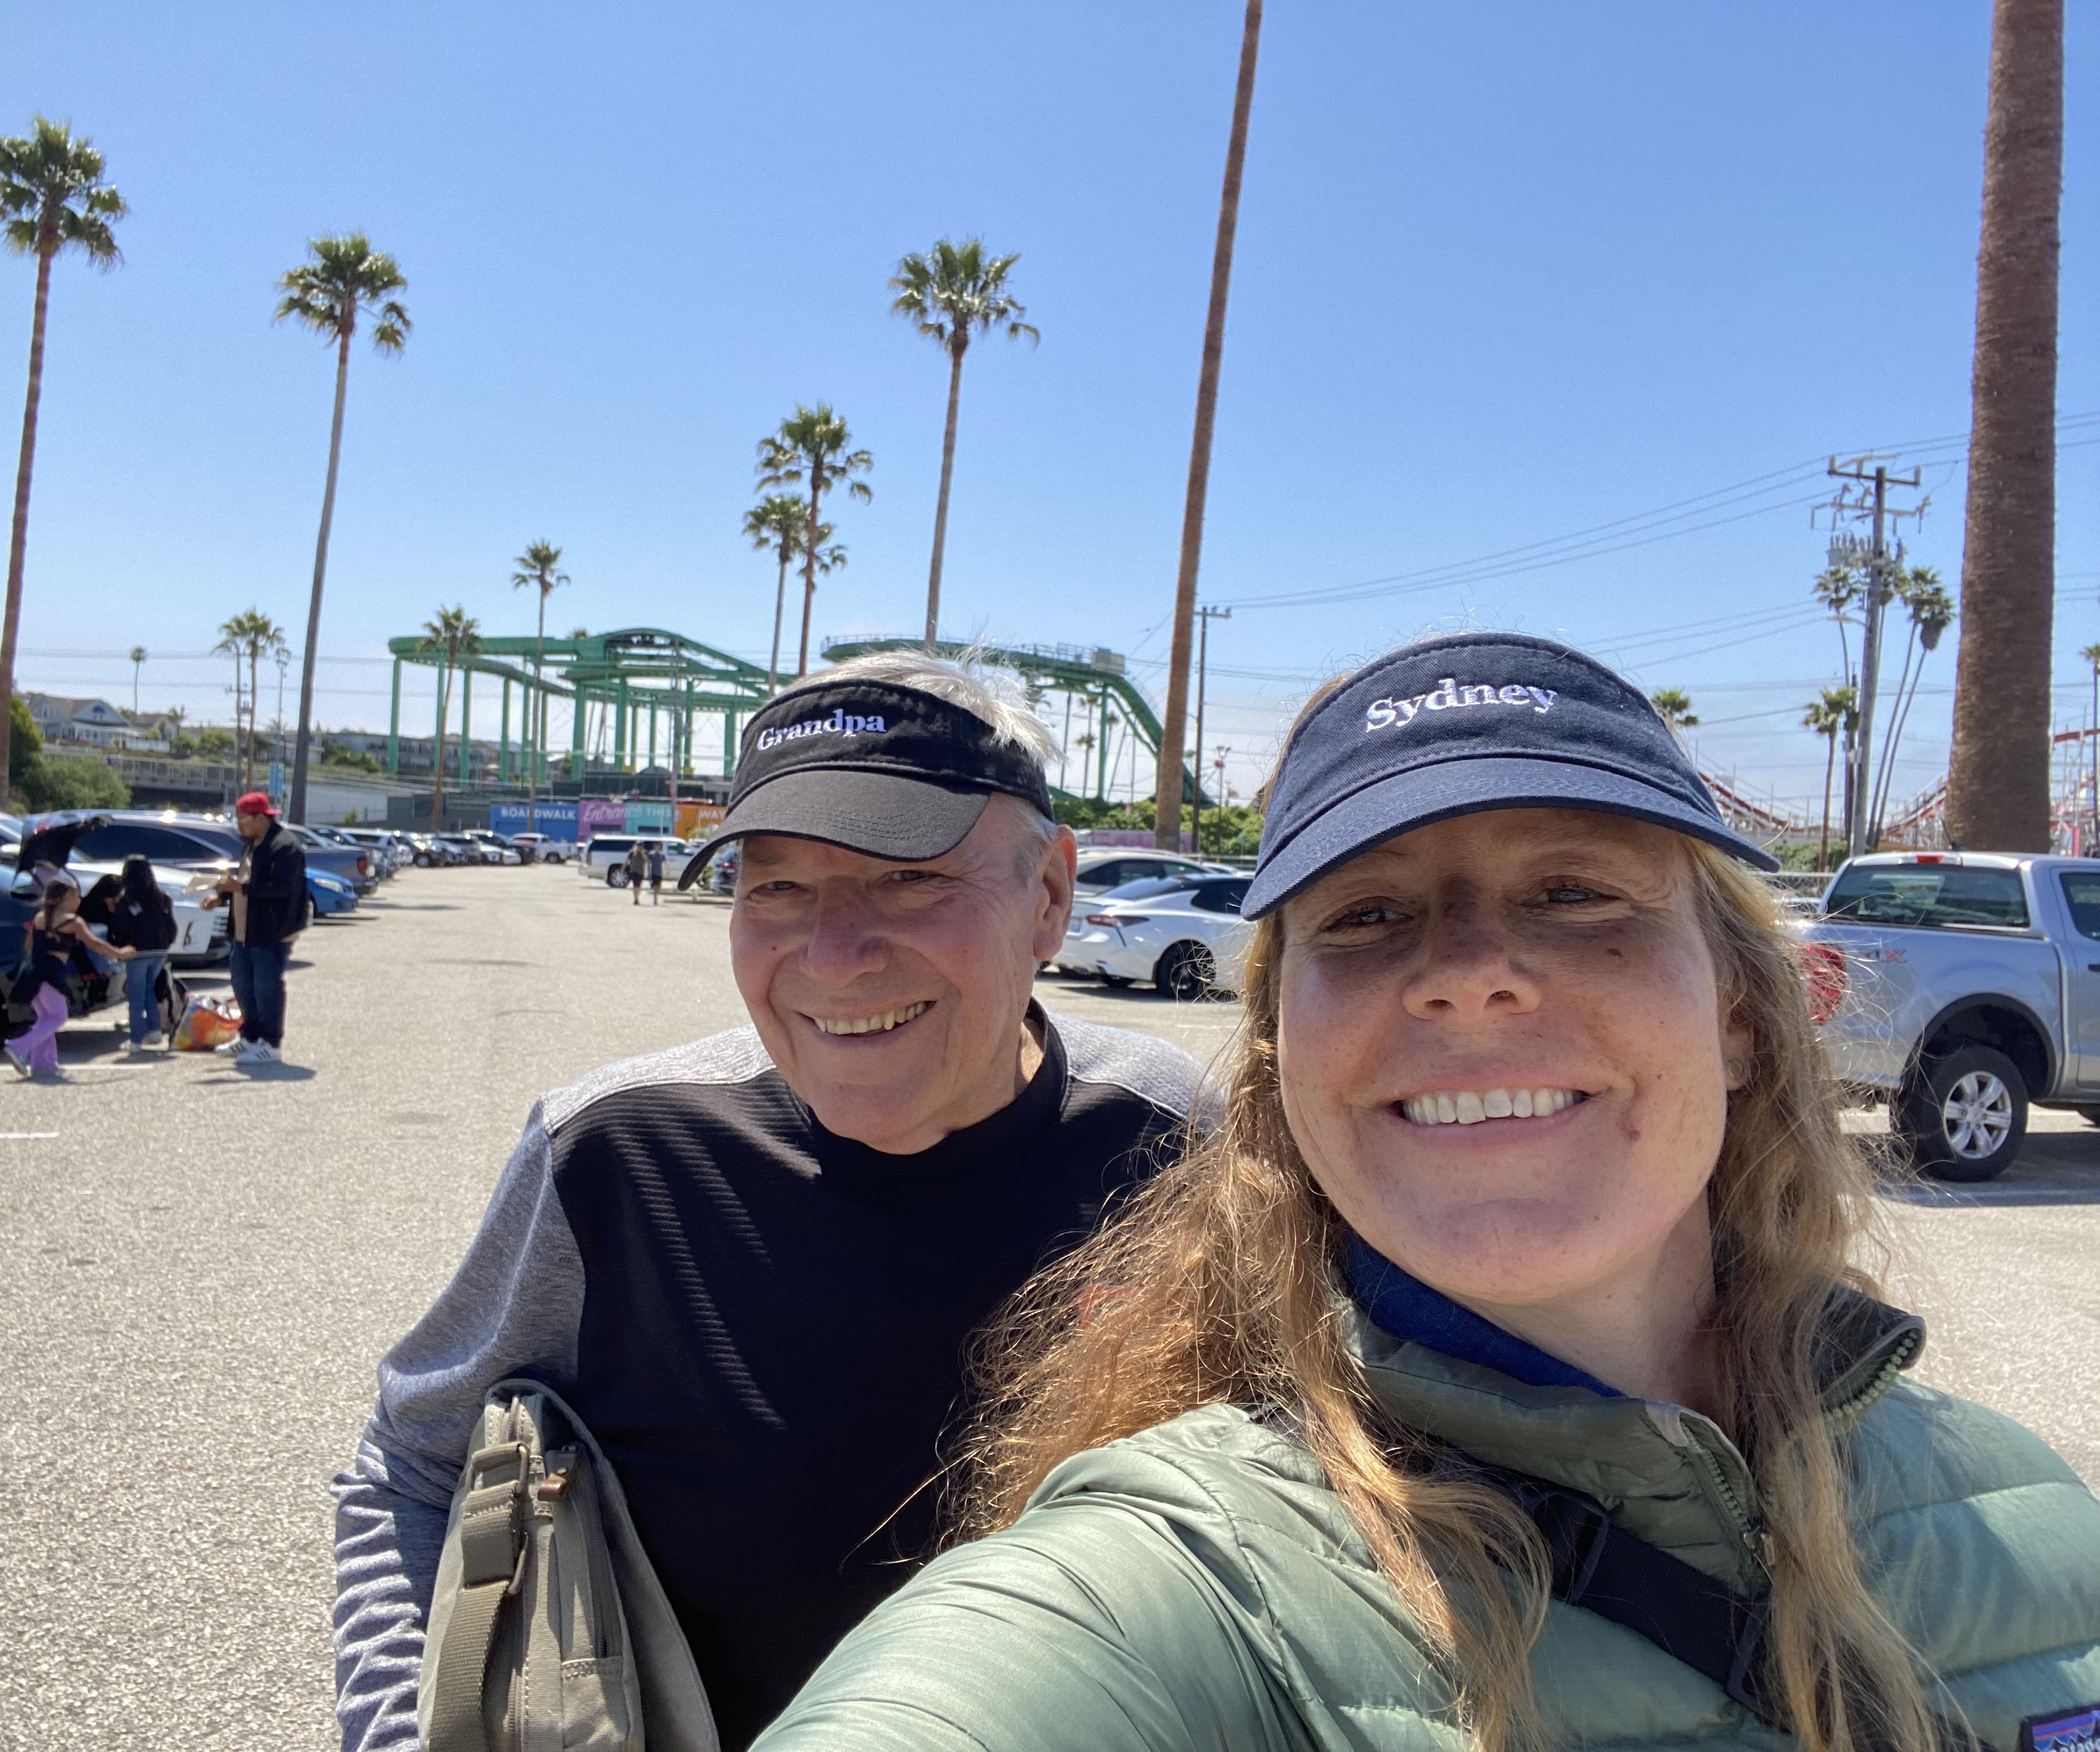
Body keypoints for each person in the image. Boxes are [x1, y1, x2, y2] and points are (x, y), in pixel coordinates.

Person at [754, 633, 2100, 1752]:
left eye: (1573, 892)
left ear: (1740, 1017)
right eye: (1369, 916)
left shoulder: (2033, 1509)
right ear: (1282, 1063)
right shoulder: (1176, 1588)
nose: (1467, 974)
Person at [333, 654, 1204, 1752]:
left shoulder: (1176, 1139)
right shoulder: (619, 1152)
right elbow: (412, 1460)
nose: (832, 958)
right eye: (776, 887)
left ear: (1049, 897)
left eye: (908, 876)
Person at [202, 791, 305, 1066]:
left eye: (243, 819)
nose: (240, 825)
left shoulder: (285, 846)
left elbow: (281, 889)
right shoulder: (251, 844)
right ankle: (250, 1037)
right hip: (243, 932)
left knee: (267, 988)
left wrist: (241, 888)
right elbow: (243, 880)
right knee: (242, 985)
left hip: (271, 931)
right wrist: (222, 897)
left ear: (261, 818)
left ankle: (271, 1044)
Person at [6, 874, 133, 1079]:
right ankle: (18, 1046)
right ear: (65, 898)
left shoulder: (40, 918)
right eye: (77, 896)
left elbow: (29, 945)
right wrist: (120, 953)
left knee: (46, 1019)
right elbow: (94, 944)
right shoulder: (73, 921)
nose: (80, 900)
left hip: (31, 970)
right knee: (58, 1017)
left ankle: (44, 1064)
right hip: (51, 972)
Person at [107, 855, 177, 1053]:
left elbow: (120, 927)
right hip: (160, 950)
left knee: (136, 995)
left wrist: (119, 945)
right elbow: (172, 927)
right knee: (148, 989)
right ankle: (155, 1030)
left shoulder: (127, 900)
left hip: (137, 951)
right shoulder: (162, 898)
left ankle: (136, 1039)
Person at [624, 837, 647, 905]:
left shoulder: (644, 853)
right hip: (634, 871)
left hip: (641, 872)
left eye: (641, 845)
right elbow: (627, 861)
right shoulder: (632, 853)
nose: (640, 847)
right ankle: (636, 899)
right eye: (639, 845)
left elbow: (646, 861)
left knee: (639, 887)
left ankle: (637, 899)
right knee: (635, 886)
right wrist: (623, 869)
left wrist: (642, 853)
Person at [646, 837, 666, 905]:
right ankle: (655, 900)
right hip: (654, 872)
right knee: (655, 886)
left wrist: (667, 870)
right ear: (654, 846)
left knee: (659, 888)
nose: (657, 847)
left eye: (658, 846)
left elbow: (665, 863)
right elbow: (648, 862)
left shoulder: (662, 855)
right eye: (656, 846)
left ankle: (656, 897)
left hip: (660, 873)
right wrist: (648, 872)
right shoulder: (652, 854)